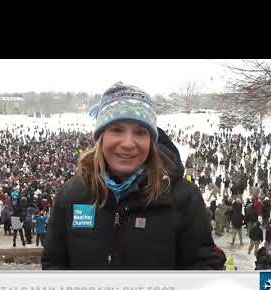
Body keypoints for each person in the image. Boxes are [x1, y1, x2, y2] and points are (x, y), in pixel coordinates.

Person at [41, 82, 225, 269]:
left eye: (140, 132)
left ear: (151, 141)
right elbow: (54, 263)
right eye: (117, 130)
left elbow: (202, 265)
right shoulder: (71, 194)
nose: (128, 143)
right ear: (101, 137)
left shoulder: (183, 197)